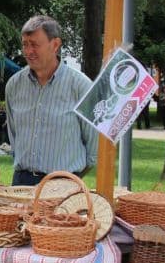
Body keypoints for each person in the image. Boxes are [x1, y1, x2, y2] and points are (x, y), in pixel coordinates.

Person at [6, 15, 97, 186]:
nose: (28, 51)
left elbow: (93, 149)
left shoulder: (81, 86)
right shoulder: (14, 86)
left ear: (55, 45)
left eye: (34, 44)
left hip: (64, 185)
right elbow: (13, 136)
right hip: (21, 184)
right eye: (25, 44)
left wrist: (69, 180)